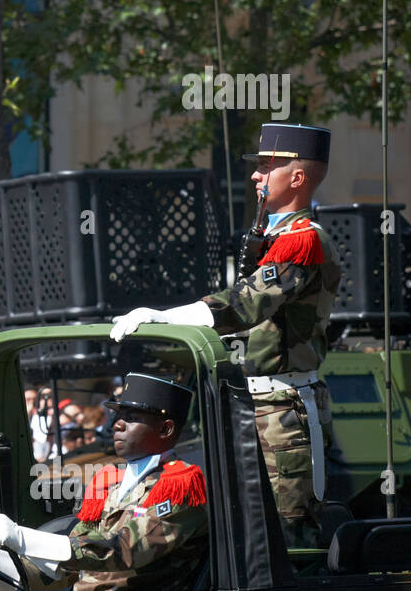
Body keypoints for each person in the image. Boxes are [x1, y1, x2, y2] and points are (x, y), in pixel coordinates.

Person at [110, 123, 339, 548]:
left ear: (298, 177)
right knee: (245, 530)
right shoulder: (269, 238)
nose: (255, 175)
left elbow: (242, 307)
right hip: (249, 403)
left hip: (283, 411)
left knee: (292, 536)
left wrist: (162, 318)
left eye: (266, 167)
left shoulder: (303, 242)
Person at [0, 374, 208, 591]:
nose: (117, 424)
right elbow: (71, 564)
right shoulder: (111, 482)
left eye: (131, 417)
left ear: (165, 429)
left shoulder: (178, 486)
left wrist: (22, 537)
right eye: (119, 415)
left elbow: (124, 550)